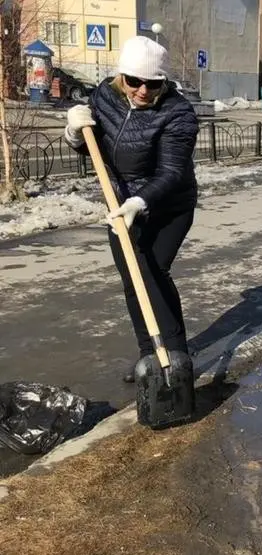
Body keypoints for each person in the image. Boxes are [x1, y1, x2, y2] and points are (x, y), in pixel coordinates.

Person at [62, 36, 200, 384]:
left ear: (163, 83)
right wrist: (74, 133)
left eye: (152, 84)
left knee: (153, 272)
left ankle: (176, 357)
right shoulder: (104, 97)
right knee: (132, 280)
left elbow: (171, 172)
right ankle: (150, 358)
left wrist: (138, 202)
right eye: (134, 81)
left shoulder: (178, 113)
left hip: (169, 205)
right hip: (118, 201)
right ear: (121, 76)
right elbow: (93, 149)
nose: (141, 90)